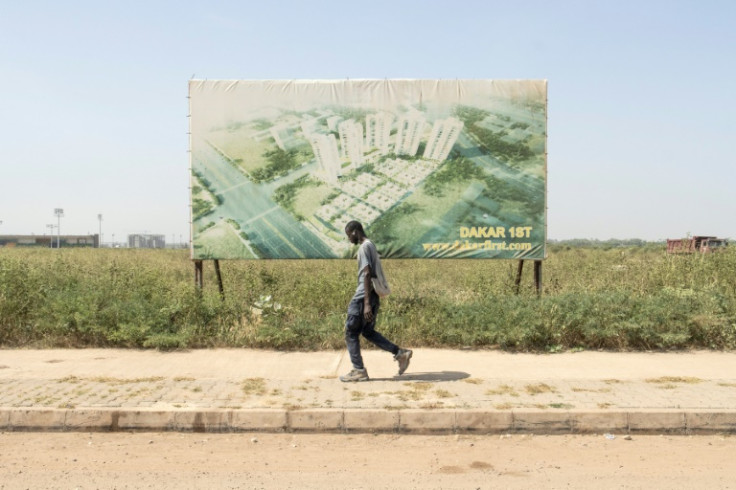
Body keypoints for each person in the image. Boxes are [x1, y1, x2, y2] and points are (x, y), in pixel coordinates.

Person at [340, 220, 412, 382]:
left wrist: (366, 304)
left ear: (354, 232)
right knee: (367, 331)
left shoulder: (364, 247)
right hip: (373, 295)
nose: (349, 239)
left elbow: (367, 274)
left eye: (348, 235)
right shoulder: (371, 245)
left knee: (351, 333)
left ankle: (358, 370)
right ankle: (400, 353)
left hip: (363, 297)